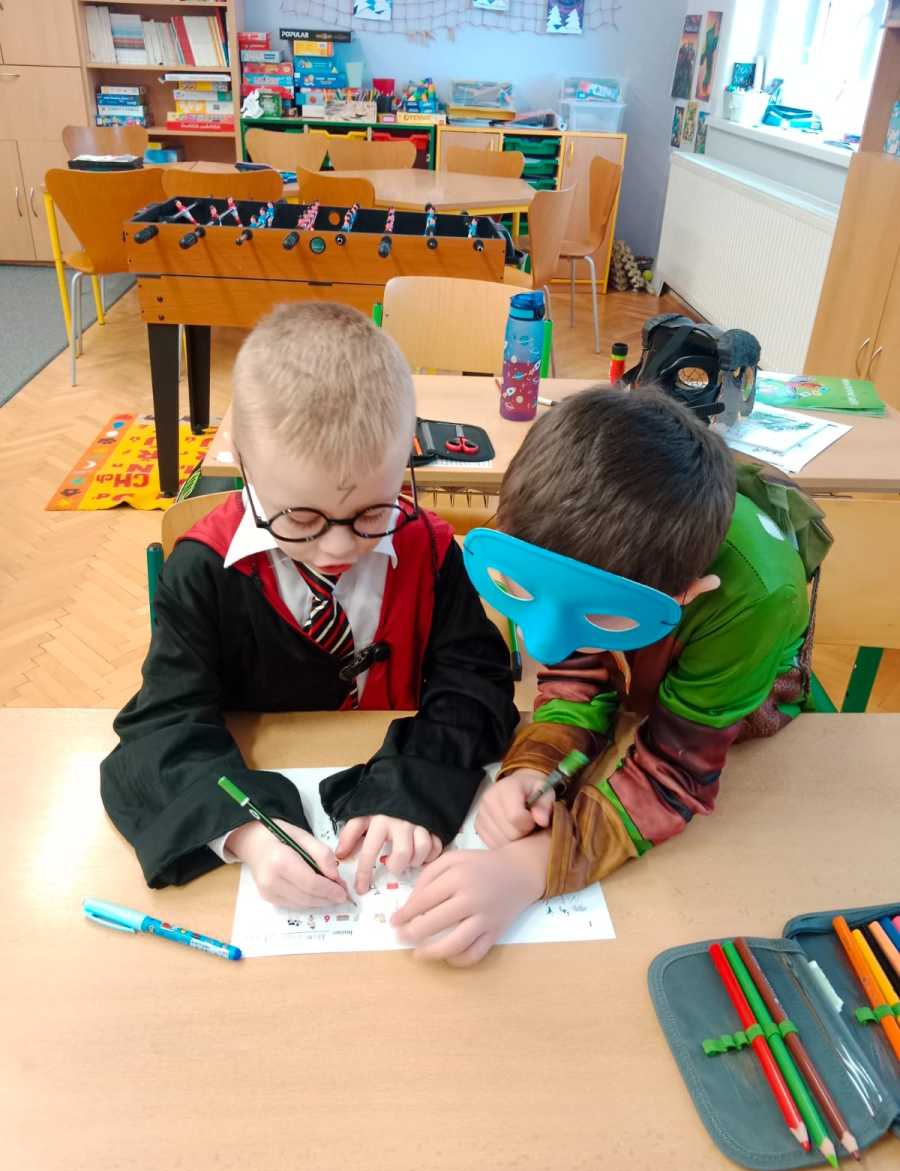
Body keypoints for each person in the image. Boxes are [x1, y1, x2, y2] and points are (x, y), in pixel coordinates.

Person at [393, 385, 828, 965]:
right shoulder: (572, 539)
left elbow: (676, 770)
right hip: (649, 664)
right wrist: (535, 766)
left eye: (595, 617)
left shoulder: (758, 597)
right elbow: (575, 668)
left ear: (687, 594)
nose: (541, 645)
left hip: (734, 699)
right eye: (525, 592)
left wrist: (534, 864)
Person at [100, 302, 517, 903]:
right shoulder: (202, 571)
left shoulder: (427, 550)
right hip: (257, 798)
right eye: (300, 518)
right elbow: (164, 724)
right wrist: (246, 833)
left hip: (386, 800)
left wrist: (414, 785)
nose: (338, 547)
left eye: (373, 511)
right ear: (243, 464)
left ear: (405, 461)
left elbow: (474, 683)